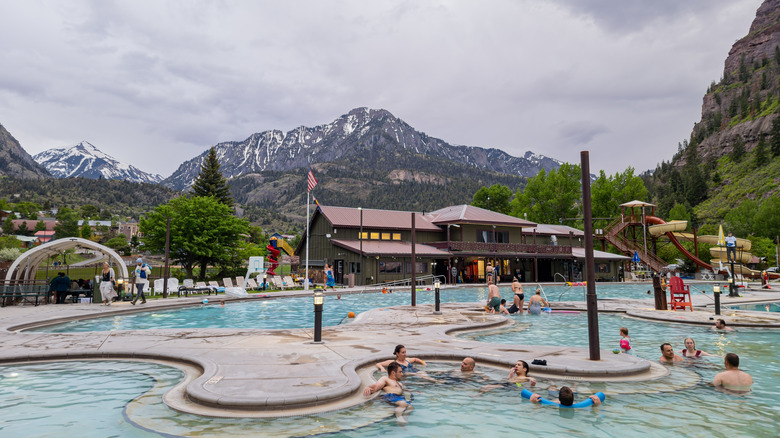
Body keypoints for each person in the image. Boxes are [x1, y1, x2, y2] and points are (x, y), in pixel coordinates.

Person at [528, 385, 601, 407]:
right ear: (573, 397)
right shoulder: (579, 406)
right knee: (574, 389)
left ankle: (552, 384)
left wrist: (533, 401)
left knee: (551, 388)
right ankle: (575, 384)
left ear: (559, 398)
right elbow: (593, 411)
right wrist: (597, 404)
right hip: (572, 401)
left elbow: (539, 406)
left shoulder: (553, 404)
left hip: (555, 399)